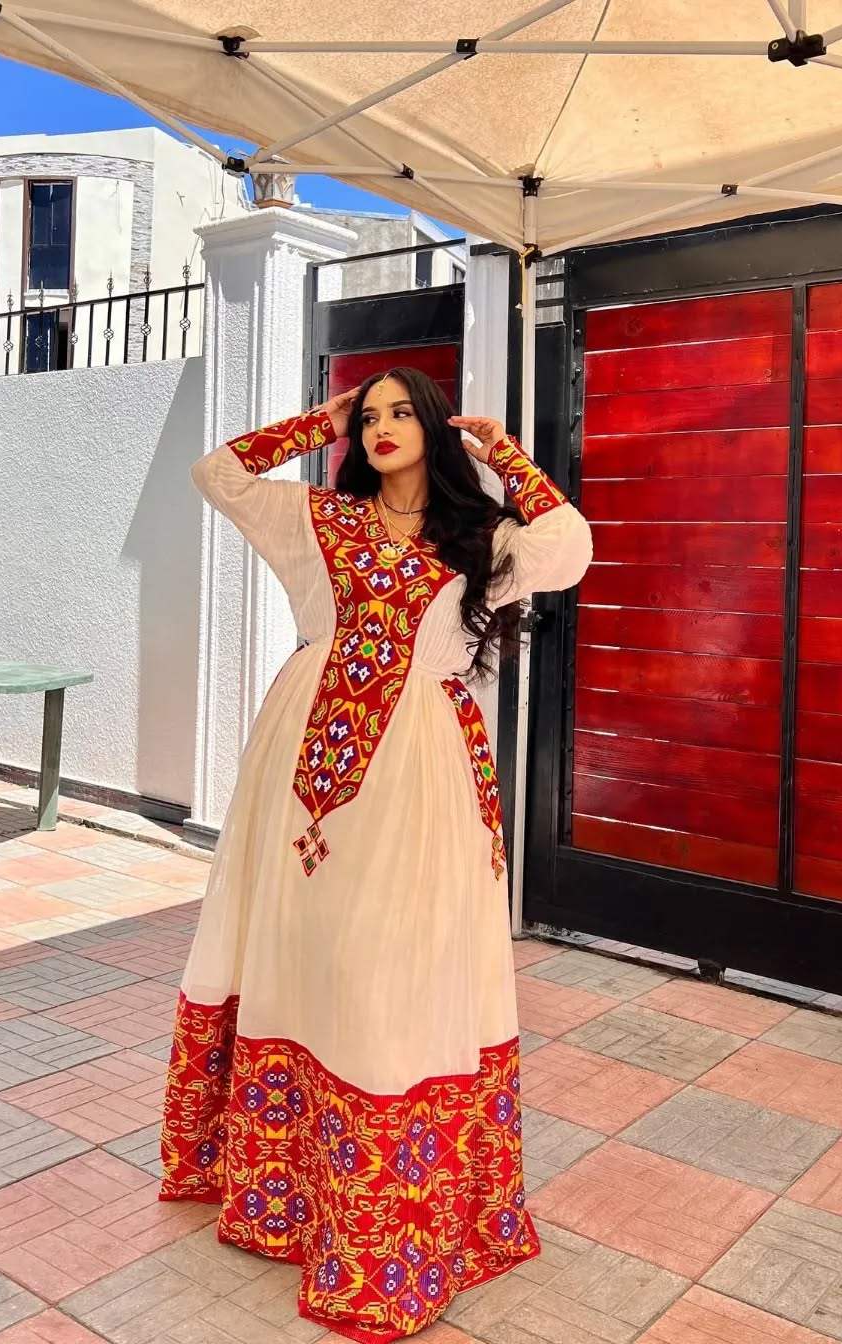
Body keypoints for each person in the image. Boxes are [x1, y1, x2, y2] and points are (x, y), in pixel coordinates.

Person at [160, 366, 593, 1341]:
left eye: (404, 411)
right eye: (371, 415)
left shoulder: (479, 539)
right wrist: (313, 423)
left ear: (434, 430)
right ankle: (281, 1190)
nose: (383, 426)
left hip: (421, 781)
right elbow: (215, 473)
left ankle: (388, 1214)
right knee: (304, 949)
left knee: (391, 965)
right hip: (301, 765)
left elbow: (571, 547)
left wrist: (503, 455)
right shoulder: (314, 520)